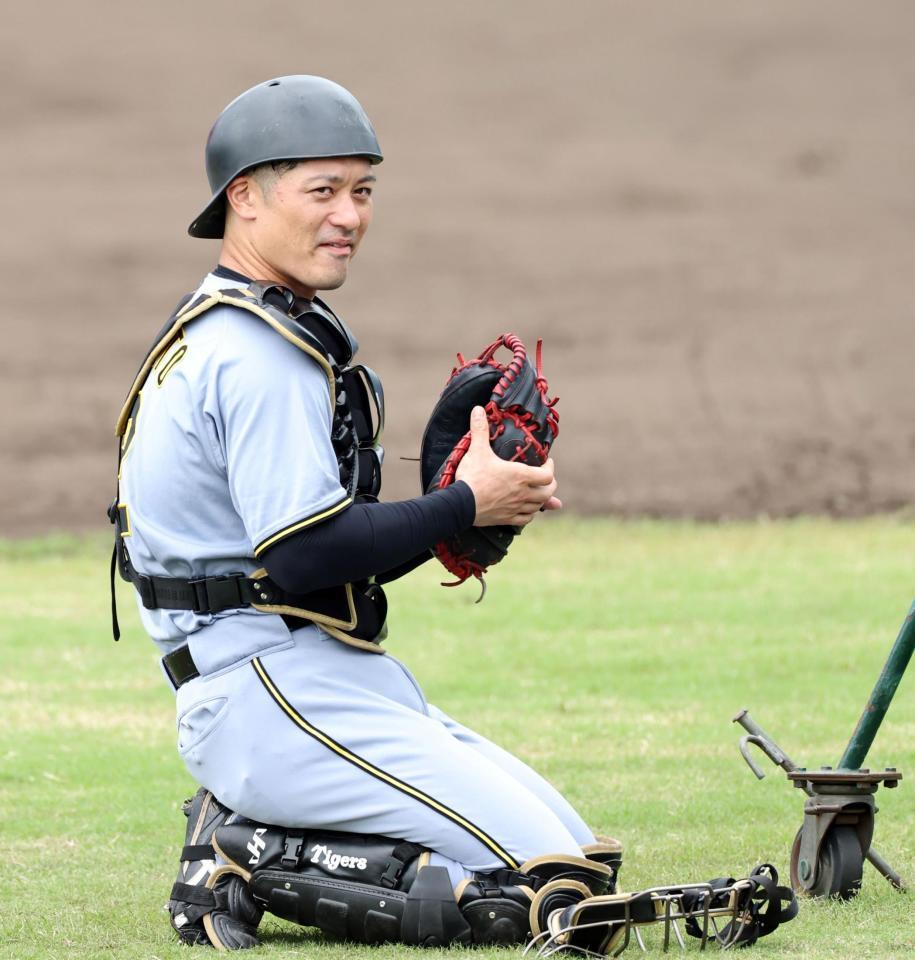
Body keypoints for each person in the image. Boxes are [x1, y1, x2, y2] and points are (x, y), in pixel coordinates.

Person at [111, 75, 620, 950]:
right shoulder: (257, 357)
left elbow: (313, 559)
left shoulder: (240, 326)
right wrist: (463, 502)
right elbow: (306, 557)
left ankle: (256, 827)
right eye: (322, 190)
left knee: (584, 866)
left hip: (314, 674)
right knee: (550, 896)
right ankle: (240, 850)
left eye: (362, 191)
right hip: (265, 691)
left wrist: (459, 513)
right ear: (245, 197)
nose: (348, 215)